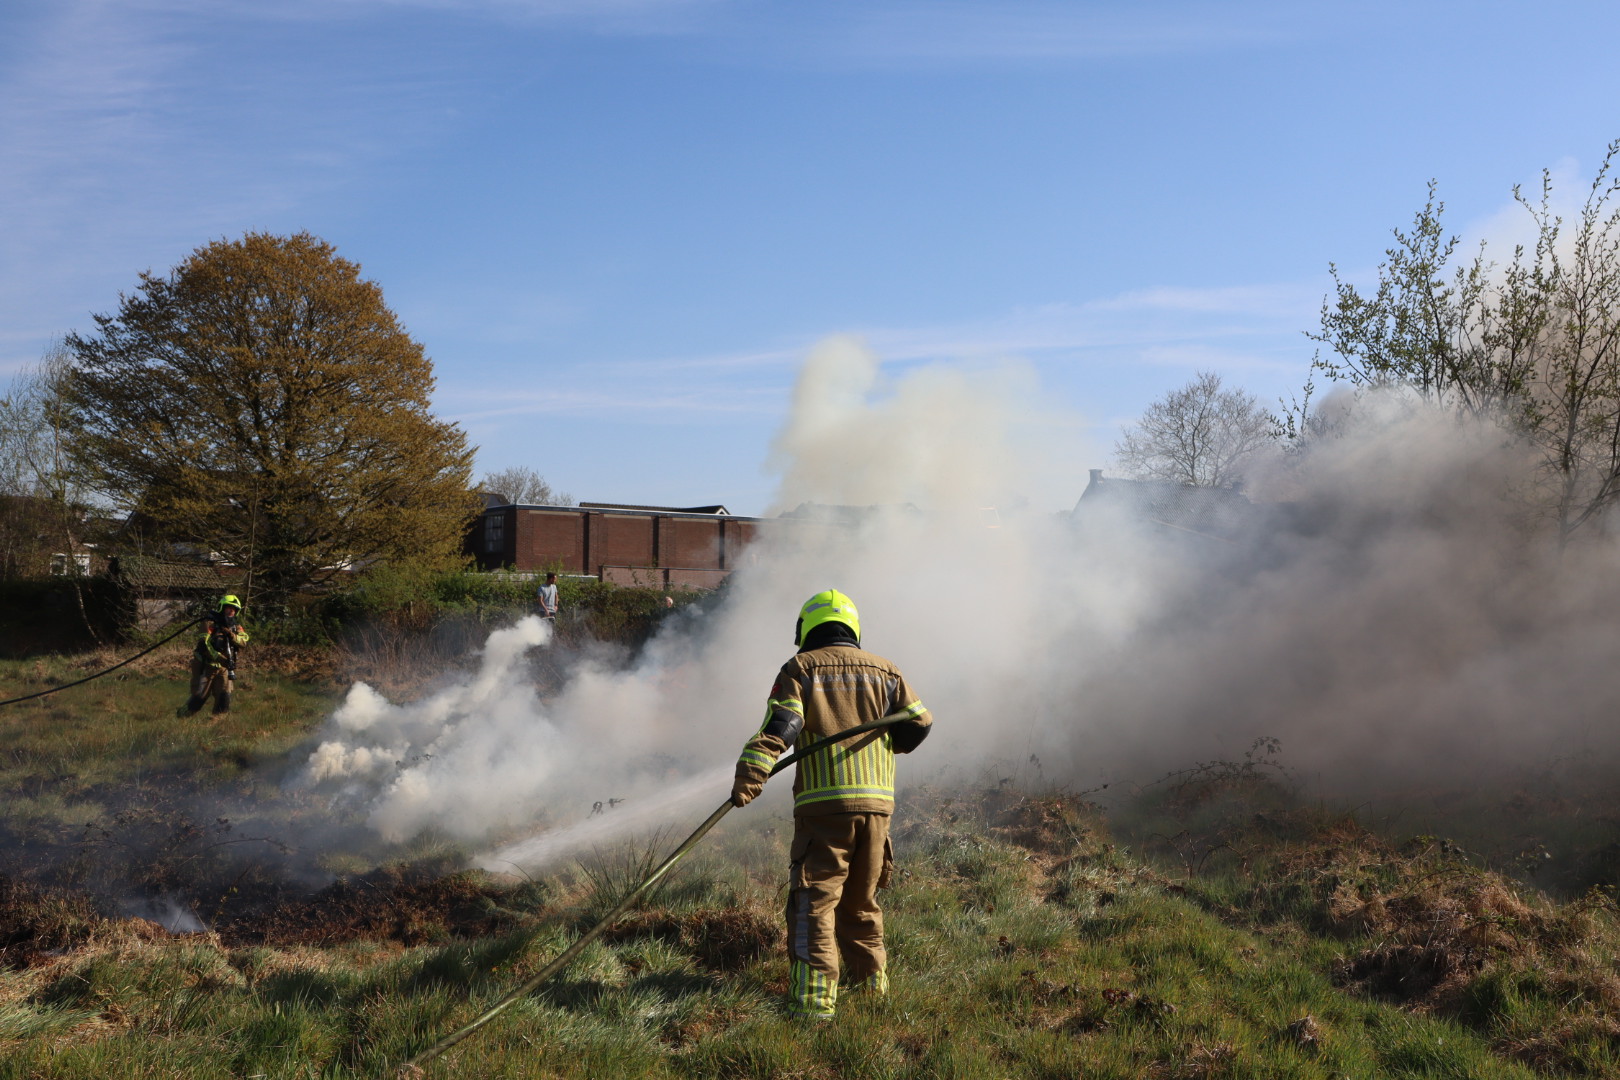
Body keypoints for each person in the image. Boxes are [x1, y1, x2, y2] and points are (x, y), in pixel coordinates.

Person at [730, 589, 932, 1021]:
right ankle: (872, 995)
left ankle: (813, 1008)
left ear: (806, 628)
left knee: (814, 906)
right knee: (862, 905)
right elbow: (920, 721)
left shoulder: (800, 668)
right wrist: (890, 743)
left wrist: (750, 774)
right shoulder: (887, 670)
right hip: (878, 809)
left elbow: (781, 727)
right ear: (852, 628)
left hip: (826, 809)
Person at [180, 594, 250, 717]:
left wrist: (231, 635)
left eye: (234, 609)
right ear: (222, 607)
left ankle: (217, 725)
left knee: (224, 698)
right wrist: (219, 658)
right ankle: (181, 718)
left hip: (224, 669)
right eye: (228, 608)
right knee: (198, 699)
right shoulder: (209, 623)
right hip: (205, 666)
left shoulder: (236, 627)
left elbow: (244, 642)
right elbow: (204, 644)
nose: (231, 611)